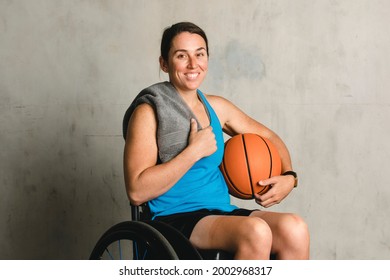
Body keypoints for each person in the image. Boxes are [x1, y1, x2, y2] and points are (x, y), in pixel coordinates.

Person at [123, 22, 310, 260]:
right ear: (164, 63)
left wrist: (289, 177)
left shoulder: (217, 107)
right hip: (173, 218)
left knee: (295, 228)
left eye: (199, 54)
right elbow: (137, 191)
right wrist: (193, 151)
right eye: (182, 55)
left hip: (219, 213)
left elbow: (270, 138)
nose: (193, 64)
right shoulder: (148, 112)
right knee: (256, 232)